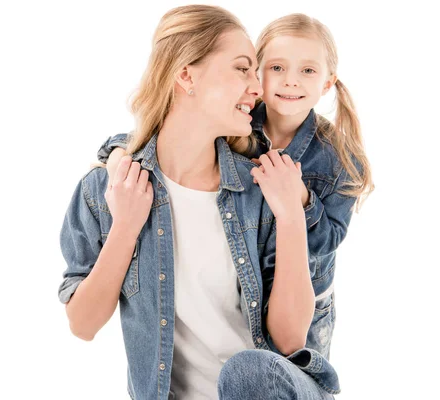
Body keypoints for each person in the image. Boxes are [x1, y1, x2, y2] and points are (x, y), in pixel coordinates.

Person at [59, 5, 339, 399]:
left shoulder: (262, 189)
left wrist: (292, 215)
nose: (257, 88)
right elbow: (82, 325)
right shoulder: (106, 189)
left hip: (272, 389)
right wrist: (125, 227)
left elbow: (291, 341)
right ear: (186, 75)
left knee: (249, 372)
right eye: (243, 69)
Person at [97, 12, 374, 362]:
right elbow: (171, 136)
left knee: (294, 376)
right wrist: (119, 153)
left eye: (307, 70)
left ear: (327, 83)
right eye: (276, 68)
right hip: (244, 284)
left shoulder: (340, 159)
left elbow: (326, 241)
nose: (290, 81)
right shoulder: (238, 118)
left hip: (308, 299)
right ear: (257, 72)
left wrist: (298, 198)